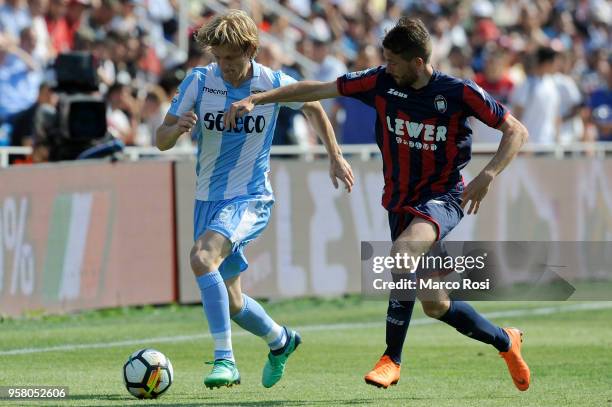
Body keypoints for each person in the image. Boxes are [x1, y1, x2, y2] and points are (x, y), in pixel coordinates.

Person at [226, 17, 530, 392]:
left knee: (402, 255)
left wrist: (489, 174)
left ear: (417, 63)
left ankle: (391, 359)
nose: (388, 67)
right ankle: (506, 340)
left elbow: (516, 130)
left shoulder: (458, 92)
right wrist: (258, 98)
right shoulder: (380, 81)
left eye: (394, 61)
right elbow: (317, 89)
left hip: (444, 198)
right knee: (436, 304)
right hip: (399, 203)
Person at [155, 10, 353, 389]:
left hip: (250, 196)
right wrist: (175, 130)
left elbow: (312, 104)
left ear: (250, 49)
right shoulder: (199, 81)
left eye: (231, 57)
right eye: (219, 58)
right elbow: (159, 139)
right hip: (206, 200)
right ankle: (281, 341)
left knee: (201, 258)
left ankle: (224, 361)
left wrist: (334, 153)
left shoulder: (271, 82)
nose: (225, 66)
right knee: (232, 302)